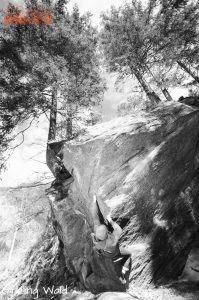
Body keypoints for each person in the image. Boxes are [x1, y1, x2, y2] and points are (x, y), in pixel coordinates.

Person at [90, 195, 131, 283]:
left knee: (96, 220)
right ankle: (123, 274)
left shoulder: (97, 232)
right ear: (107, 233)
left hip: (105, 253)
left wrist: (94, 201)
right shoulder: (111, 241)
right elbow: (118, 230)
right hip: (114, 253)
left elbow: (95, 216)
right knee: (128, 255)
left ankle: (111, 259)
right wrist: (110, 220)